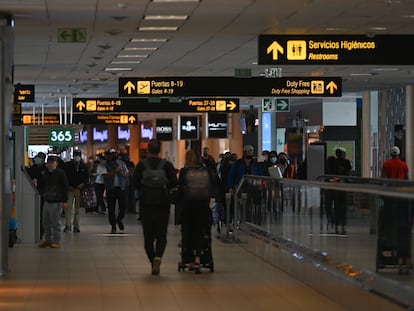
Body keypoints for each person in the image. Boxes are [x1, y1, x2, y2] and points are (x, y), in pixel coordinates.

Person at [133, 139, 178, 275]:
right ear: (159, 150)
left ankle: (153, 260)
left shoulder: (141, 165)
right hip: (162, 204)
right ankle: (158, 257)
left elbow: (135, 183)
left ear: (148, 149)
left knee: (148, 237)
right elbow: (174, 182)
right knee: (161, 234)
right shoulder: (167, 165)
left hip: (146, 204)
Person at [177, 149, 216, 274]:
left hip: (189, 206)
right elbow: (213, 186)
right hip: (203, 206)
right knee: (201, 231)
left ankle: (189, 259)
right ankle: (200, 258)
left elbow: (180, 190)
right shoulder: (206, 171)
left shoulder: (184, 171)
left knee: (189, 231)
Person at [380, 146, 411, 271]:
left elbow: (383, 178)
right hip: (401, 194)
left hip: (389, 194)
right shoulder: (403, 165)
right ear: (398, 154)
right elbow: (407, 178)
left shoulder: (386, 164)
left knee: (389, 216)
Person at [37, 155, 69, 248]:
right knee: (45, 222)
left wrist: (65, 200)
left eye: (52, 162)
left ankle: (56, 241)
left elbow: (64, 187)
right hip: (47, 200)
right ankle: (48, 240)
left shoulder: (60, 173)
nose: (50, 164)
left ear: (56, 163)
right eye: (49, 162)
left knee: (55, 222)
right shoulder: (44, 172)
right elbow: (41, 184)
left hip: (56, 201)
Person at [63, 149, 89, 233]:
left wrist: (83, 184)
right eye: (75, 155)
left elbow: (86, 177)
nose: (76, 157)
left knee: (77, 209)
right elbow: (64, 177)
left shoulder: (83, 166)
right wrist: (67, 186)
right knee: (68, 208)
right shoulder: (67, 165)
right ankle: (68, 225)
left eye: (78, 155)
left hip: (79, 189)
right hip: (69, 189)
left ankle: (76, 225)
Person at [103, 149, 129, 234]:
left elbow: (127, 173)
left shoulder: (121, 163)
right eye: (111, 154)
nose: (113, 156)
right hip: (110, 188)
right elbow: (105, 175)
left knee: (123, 206)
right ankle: (113, 225)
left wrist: (123, 174)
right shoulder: (105, 164)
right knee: (111, 208)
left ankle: (119, 219)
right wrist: (115, 171)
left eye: (114, 154)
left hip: (120, 188)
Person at [26, 152, 47, 239]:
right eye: (38, 157)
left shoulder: (46, 170)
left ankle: (41, 232)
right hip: (30, 195)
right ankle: (31, 230)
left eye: (40, 158)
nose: (38, 159)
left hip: (42, 195)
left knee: (41, 214)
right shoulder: (32, 169)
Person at [332, 148, 352, 235]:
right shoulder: (346, 162)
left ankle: (336, 226)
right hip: (344, 187)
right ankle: (343, 226)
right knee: (343, 207)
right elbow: (349, 173)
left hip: (335, 187)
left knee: (336, 207)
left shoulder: (334, 163)